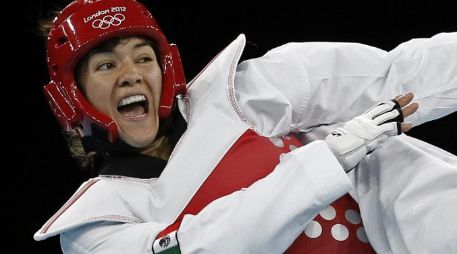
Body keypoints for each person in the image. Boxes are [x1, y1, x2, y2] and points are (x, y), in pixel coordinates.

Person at [34, 0, 457, 253]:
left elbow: (398, 74)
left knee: (383, 159)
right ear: (73, 96)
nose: (131, 74)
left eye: (143, 58)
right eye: (107, 65)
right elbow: (206, 246)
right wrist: (325, 161)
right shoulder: (96, 224)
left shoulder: (246, 92)